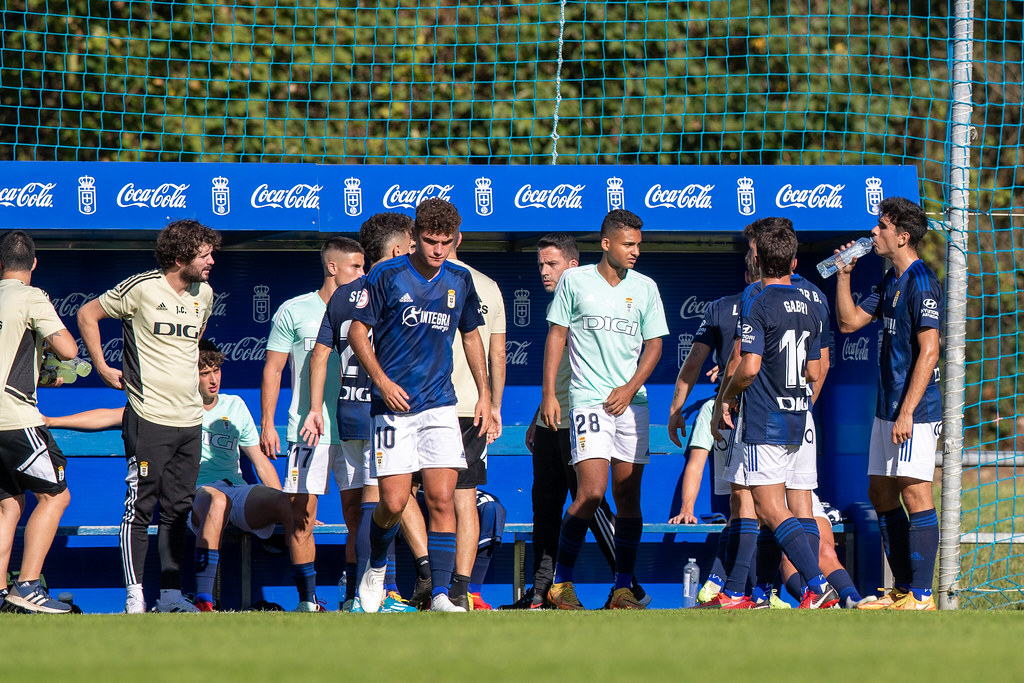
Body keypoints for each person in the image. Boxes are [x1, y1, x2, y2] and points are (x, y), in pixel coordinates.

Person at [45, 342, 306, 612]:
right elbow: (109, 417)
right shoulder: (171, 407)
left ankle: (307, 601)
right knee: (217, 501)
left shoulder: (235, 405)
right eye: (204, 373)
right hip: (195, 494)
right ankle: (206, 600)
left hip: (235, 489)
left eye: (216, 371)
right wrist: (52, 421)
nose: (213, 379)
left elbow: (260, 462)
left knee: (292, 504)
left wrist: (286, 503)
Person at [350, 198, 491, 613]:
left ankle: (443, 595)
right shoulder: (386, 275)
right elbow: (360, 332)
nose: (438, 249)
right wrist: (382, 380)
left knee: (442, 499)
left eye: (446, 242)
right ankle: (376, 565)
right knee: (392, 503)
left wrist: (484, 393)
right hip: (394, 405)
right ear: (414, 238)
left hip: (440, 405)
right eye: (430, 240)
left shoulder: (460, 280)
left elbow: (470, 336)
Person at [77, 219, 219, 613]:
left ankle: (171, 597)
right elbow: (88, 315)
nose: (211, 261)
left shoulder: (204, 294)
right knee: (140, 507)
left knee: (178, 511)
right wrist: (103, 367)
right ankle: (134, 596)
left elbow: (190, 349)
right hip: (147, 415)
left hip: (190, 420)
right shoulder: (140, 288)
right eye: (204, 254)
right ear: (180, 257)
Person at [541, 209, 668, 610]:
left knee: (629, 497)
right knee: (592, 492)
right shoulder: (575, 282)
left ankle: (622, 588)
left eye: (638, 245)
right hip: (587, 399)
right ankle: (561, 583)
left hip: (632, 403)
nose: (635, 252)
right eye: (628, 244)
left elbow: (655, 345)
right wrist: (549, 394)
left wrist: (630, 389)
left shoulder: (646, 287)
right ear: (606, 243)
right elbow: (556, 336)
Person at [504, 233, 635, 610]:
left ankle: (630, 588)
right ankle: (542, 592)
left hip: (583, 419)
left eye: (552, 264)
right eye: (540, 265)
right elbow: (558, 375)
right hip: (552, 423)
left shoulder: (590, 302)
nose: (544, 272)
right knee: (544, 510)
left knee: (591, 503)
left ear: (573, 267)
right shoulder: (560, 308)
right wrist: (537, 416)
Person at [713, 222, 839, 609]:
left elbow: (748, 367)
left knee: (768, 506)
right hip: (797, 416)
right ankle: (738, 593)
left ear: (756, 258)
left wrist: (726, 399)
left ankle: (817, 586)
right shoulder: (812, 303)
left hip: (764, 417)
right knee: (778, 503)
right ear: (794, 261)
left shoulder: (758, 301)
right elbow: (817, 371)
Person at [301, 213, 419, 613]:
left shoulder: (342, 293)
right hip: (381, 411)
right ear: (398, 249)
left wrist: (315, 408)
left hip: (345, 411)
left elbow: (319, 355)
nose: (417, 249)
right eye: (412, 242)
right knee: (380, 505)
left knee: (358, 512)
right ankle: (379, 595)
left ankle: (354, 593)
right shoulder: (400, 288)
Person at [834, 196, 942, 611]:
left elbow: (930, 351)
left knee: (916, 494)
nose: (873, 233)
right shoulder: (889, 280)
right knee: (880, 491)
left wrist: (909, 411)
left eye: (881, 227)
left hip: (914, 410)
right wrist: (844, 275)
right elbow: (848, 323)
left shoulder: (921, 281)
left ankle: (923, 596)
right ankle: (902, 588)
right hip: (888, 409)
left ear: (902, 236)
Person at [260, 237, 365, 611]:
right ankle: (307, 602)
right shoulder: (294, 309)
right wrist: (268, 424)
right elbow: (273, 369)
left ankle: (354, 598)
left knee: (358, 516)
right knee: (302, 517)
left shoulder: (367, 307)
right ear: (332, 267)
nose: (362, 273)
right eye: (355, 266)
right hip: (307, 431)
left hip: (354, 427)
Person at [0, 230, 78, 614]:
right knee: (55, 496)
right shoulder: (32, 296)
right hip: (16, 418)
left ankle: (1, 594)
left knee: (7, 506)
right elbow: (67, 348)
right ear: (33, 263)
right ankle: (28, 586)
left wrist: (38, 373)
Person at [446, 232, 506, 611]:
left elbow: (496, 351)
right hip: (469, 407)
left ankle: (447, 587)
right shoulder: (486, 284)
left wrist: (492, 404)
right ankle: (454, 589)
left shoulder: (419, 277)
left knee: (428, 498)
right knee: (458, 498)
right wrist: (494, 403)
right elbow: (497, 354)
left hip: (443, 406)